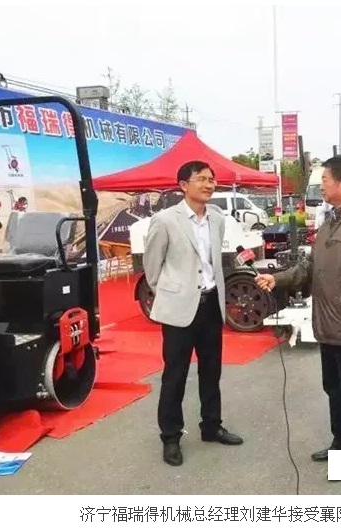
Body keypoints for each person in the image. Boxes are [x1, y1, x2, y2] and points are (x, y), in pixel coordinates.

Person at [254, 154, 341, 460]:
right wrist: (276, 278)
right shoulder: (330, 222)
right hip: (327, 325)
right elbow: (307, 268)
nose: (322, 186)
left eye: (325, 180)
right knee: (335, 389)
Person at [143, 160, 243, 467]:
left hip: (211, 304)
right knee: (175, 375)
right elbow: (152, 267)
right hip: (180, 308)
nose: (209, 184)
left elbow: (213, 261)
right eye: (201, 179)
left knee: (211, 371)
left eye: (211, 179)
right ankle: (170, 436)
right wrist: (174, 292)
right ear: (183, 185)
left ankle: (211, 426)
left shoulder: (217, 217)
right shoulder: (165, 220)